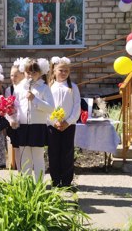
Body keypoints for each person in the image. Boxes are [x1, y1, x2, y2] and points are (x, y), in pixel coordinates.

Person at [13, 58, 54, 182]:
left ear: (40, 73)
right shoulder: (19, 88)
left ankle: (39, 186)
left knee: (38, 157)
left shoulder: (44, 88)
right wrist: (13, 119)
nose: (30, 75)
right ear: (24, 72)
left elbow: (51, 108)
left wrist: (35, 99)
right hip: (23, 126)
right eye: (28, 72)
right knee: (25, 158)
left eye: (34, 72)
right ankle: (26, 186)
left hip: (38, 126)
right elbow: (14, 106)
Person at [48, 56, 81, 188]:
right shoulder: (49, 87)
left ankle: (67, 181)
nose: (63, 73)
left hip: (69, 126)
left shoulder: (73, 87)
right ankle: (55, 180)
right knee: (54, 152)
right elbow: (46, 107)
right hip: (53, 126)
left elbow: (77, 106)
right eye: (60, 70)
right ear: (54, 71)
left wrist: (68, 121)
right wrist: (54, 121)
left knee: (67, 152)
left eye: (66, 71)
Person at [4, 58, 25, 171]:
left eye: (16, 75)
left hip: (26, 123)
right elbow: (6, 108)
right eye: (11, 75)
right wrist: (10, 119)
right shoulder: (9, 90)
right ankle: (20, 173)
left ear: (23, 75)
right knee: (16, 148)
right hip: (14, 125)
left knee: (25, 150)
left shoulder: (27, 88)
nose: (13, 78)